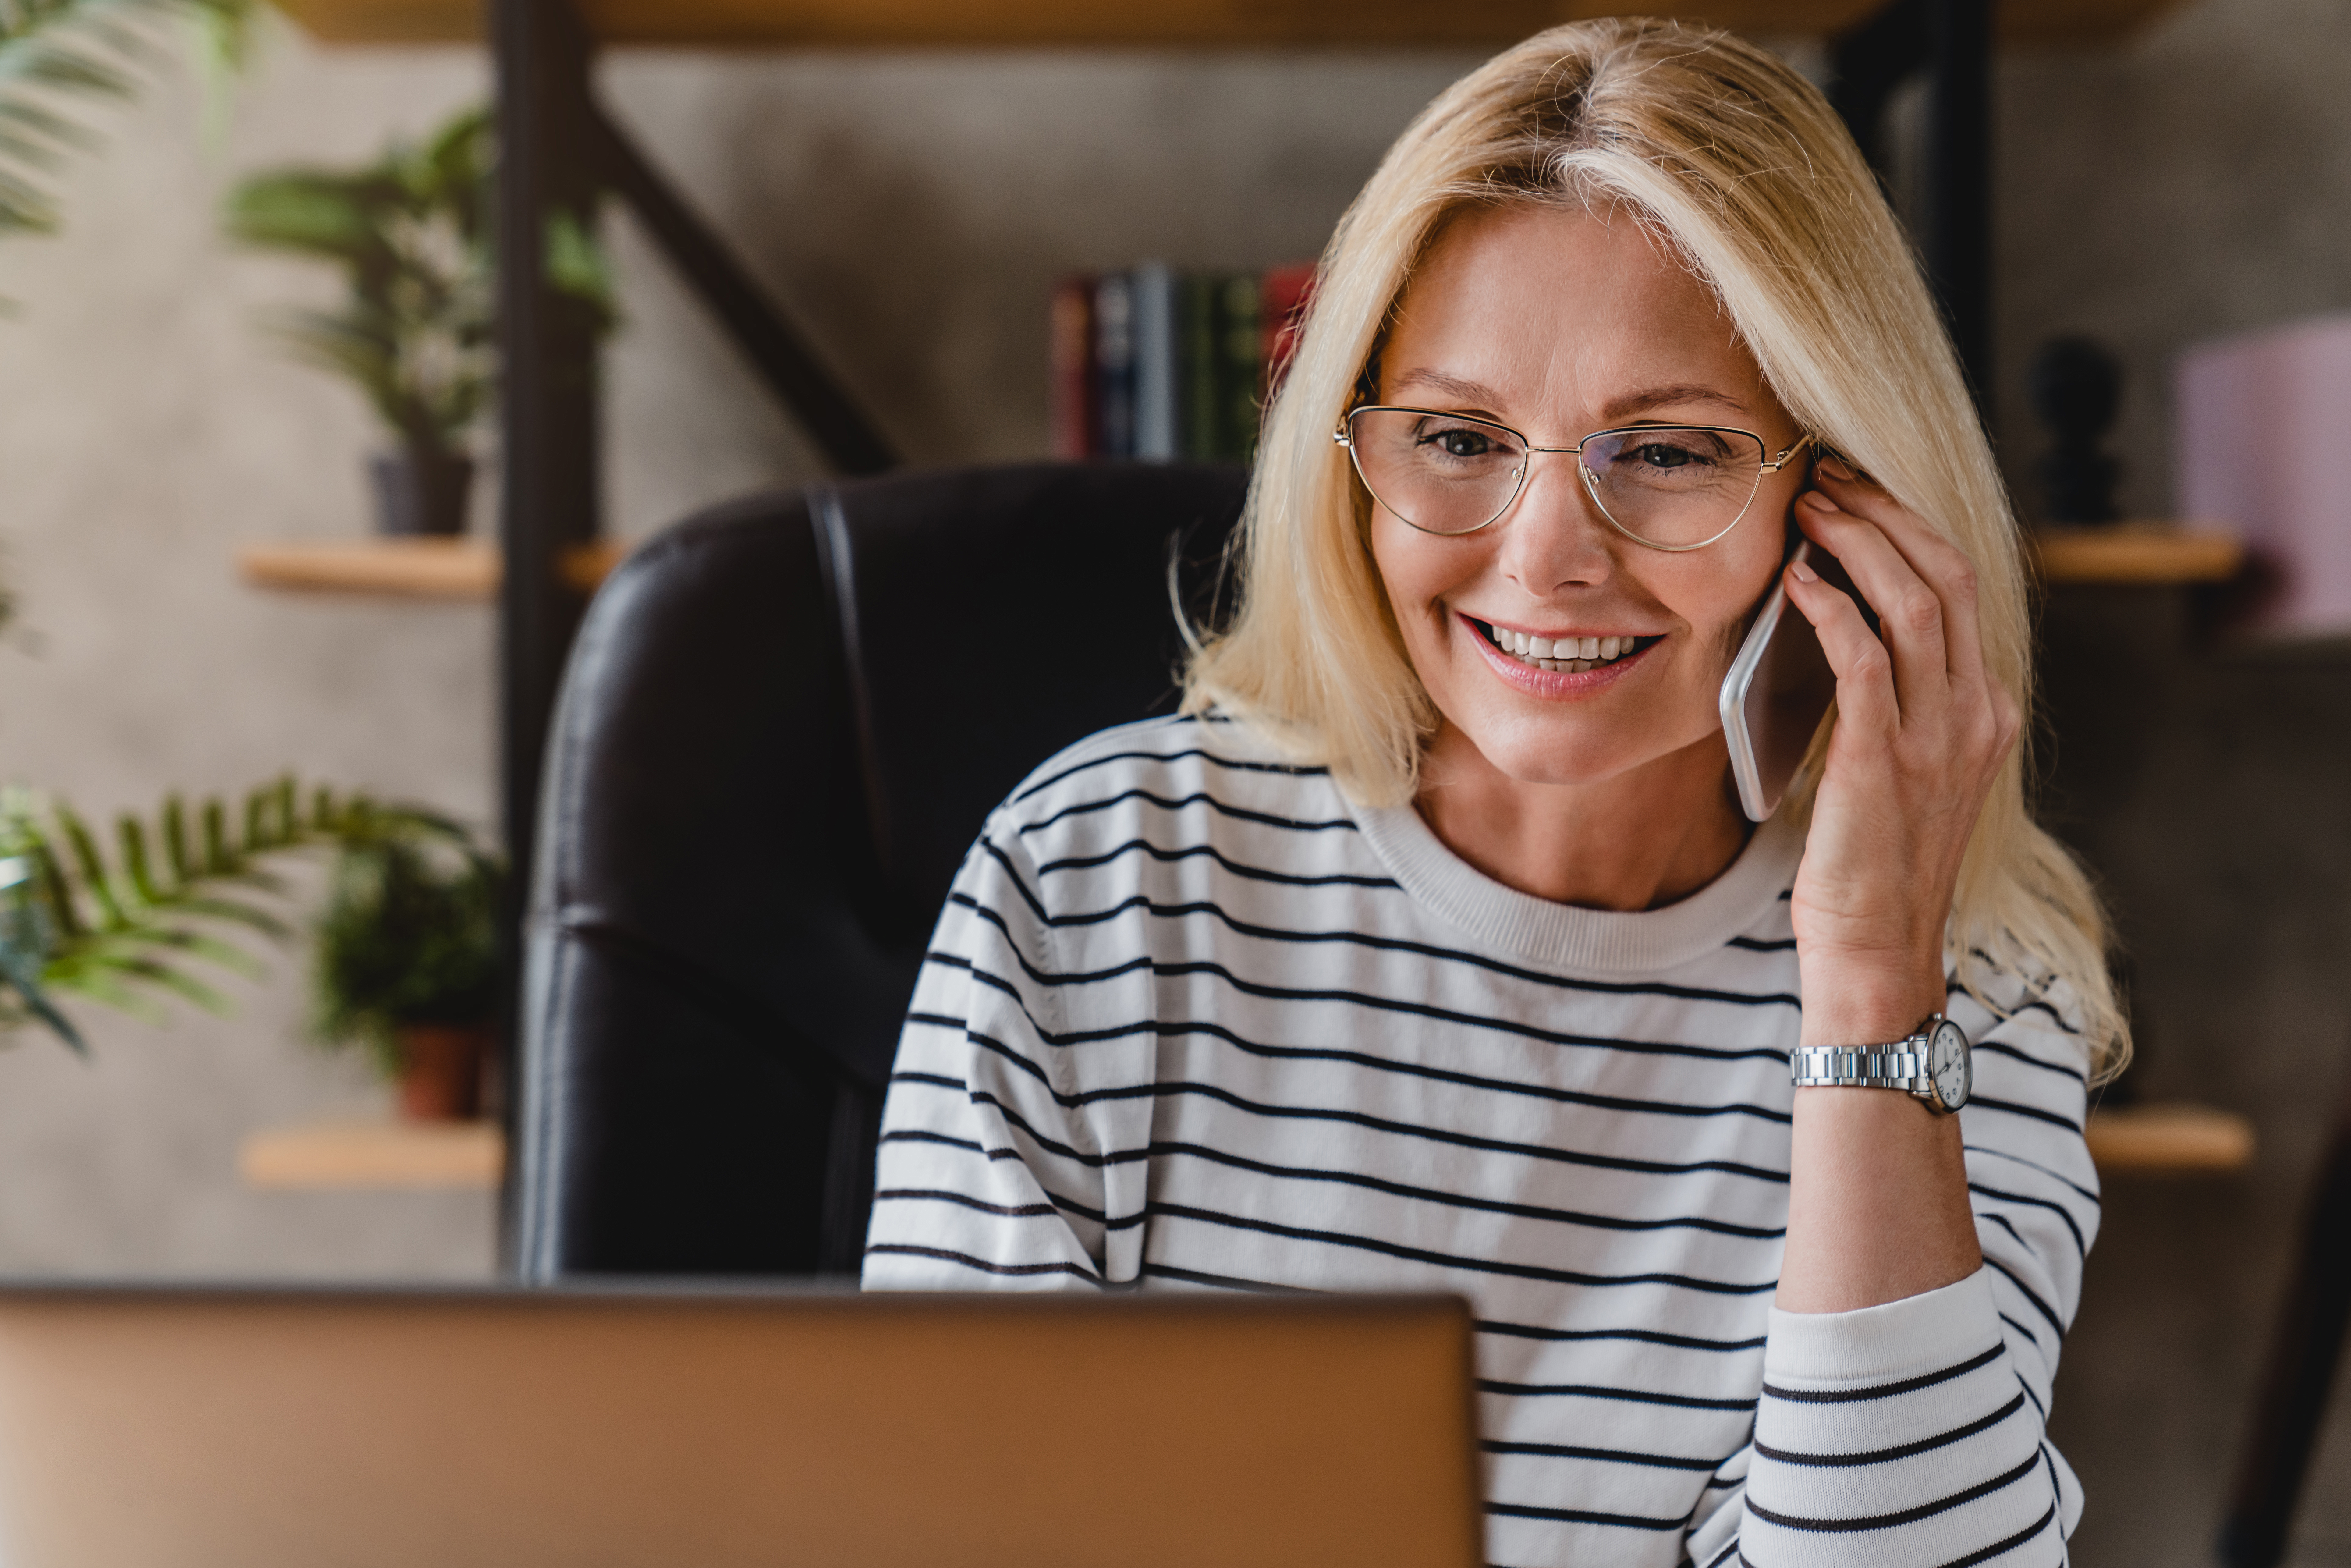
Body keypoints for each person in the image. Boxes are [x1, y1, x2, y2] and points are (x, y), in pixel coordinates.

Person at [863, 19, 2117, 1568]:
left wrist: (1865, 990)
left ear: (1842, 505)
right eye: (1457, 437)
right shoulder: (1100, 880)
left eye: (1664, 452)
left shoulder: (1972, 1010)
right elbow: (943, 1526)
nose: (1545, 557)